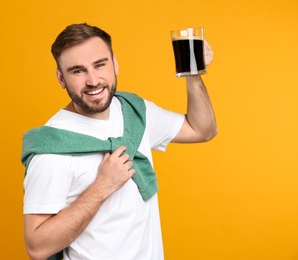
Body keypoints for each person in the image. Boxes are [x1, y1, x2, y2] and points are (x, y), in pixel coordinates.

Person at [21, 23, 217, 260]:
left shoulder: (134, 112)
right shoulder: (51, 150)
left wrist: (193, 74)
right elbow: (37, 248)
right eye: (77, 71)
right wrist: (103, 185)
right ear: (61, 79)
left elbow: (202, 130)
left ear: (114, 63)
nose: (93, 80)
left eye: (100, 65)